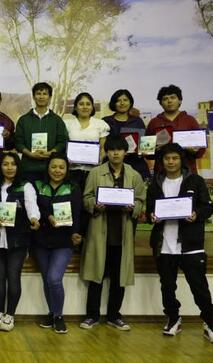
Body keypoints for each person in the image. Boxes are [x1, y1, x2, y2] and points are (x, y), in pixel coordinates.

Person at [146, 143, 213, 341]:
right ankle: (173, 318)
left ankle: (210, 322)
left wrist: (196, 214)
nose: (171, 162)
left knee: (199, 286)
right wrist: (152, 216)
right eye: (167, 159)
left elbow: (208, 208)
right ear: (162, 162)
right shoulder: (156, 183)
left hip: (190, 245)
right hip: (164, 244)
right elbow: (150, 210)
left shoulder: (195, 181)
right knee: (167, 286)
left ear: (181, 160)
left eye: (175, 158)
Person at [79, 137, 145, 331]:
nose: (116, 153)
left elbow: (141, 199)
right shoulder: (96, 173)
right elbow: (87, 197)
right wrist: (94, 205)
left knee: (119, 278)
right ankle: (92, 315)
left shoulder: (134, 175)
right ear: (106, 152)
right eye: (112, 150)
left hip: (122, 233)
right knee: (96, 276)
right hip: (100, 232)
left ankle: (114, 316)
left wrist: (133, 208)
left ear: (126, 152)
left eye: (119, 150)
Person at [0, 153, 40, 332]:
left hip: (17, 239)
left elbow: (32, 207)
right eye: (5, 164)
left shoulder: (26, 186)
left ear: (18, 167)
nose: (9, 168)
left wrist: (34, 219)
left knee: (13, 276)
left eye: (13, 164)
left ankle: (10, 315)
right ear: (0, 167)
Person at [33, 154, 82, 334]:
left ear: (67, 169)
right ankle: (52, 313)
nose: (57, 171)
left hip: (64, 240)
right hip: (41, 239)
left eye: (61, 167)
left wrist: (76, 233)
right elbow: (35, 208)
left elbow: (77, 213)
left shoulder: (73, 187)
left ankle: (59, 316)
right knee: (47, 280)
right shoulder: (38, 186)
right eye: (54, 167)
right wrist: (47, 217)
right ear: (48, 168)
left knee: (54, 278)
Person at [15, 82, 68, 183]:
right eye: (38, 93)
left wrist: (50, 153)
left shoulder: (57, 120)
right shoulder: (23, 119)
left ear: (50, 97)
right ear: (34, 97)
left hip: (50, 169)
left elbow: (62, 142)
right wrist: (30, 154)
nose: (41, 96)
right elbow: (18, 142)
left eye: (45, 94)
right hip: (28, 168)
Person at [146, 84, 206, 174]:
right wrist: (154, 149)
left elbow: (200, 152)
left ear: (180, 100)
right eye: (165, 99)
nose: (169, 101)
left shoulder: (190, 120)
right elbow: (147, 152)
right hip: (162, 172)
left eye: (172, 97)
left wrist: (194, 151)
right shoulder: (154, 122)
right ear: (161, 103)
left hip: (187, 171)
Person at [102, 89, 150, 181]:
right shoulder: (105, 121)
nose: (122, 103)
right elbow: (102, 146)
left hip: (136, 165)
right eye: (118, 100)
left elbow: (145, 145)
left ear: (130, 102)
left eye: (125, 100)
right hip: (112, 165)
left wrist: (145, 151)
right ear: (113, 103)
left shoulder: (138, 121)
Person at [65, 92, 110, 189]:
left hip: (93, 171)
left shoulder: (100, 124)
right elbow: (64, 147)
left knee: (90, 200)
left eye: (88, 104)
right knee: (74, 201)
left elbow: (103, 149)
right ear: (76, 107)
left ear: (92, 107)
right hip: (72, 171)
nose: (85, 107)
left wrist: (98, 159)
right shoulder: (67, 124)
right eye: (81, 104)